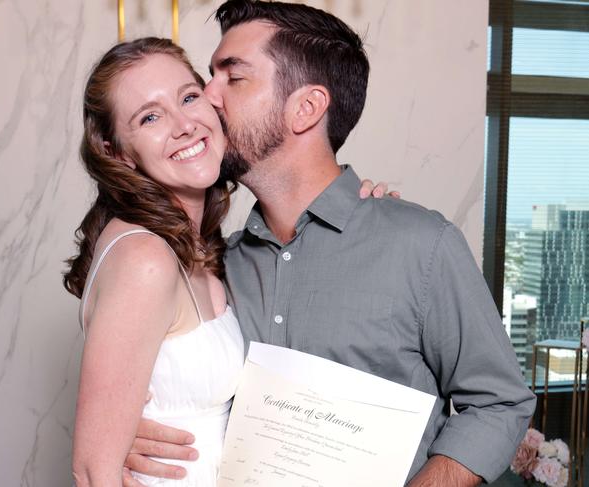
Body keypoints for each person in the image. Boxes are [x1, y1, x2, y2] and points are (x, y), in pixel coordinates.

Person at [123, 1, 536, 486]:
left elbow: (500, 400)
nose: (207, 97)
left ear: (306, 108)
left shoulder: (420, 245)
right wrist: (130, 433)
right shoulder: (216, 265)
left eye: (232, 78)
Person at [65, 36, 383, 486]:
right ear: (116, 153)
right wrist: (111, 440)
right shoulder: (145, 258)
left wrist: (367, 211)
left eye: (189, 97)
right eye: (150, 117)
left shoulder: (209, 249)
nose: (184, 125)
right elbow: (94, 471)